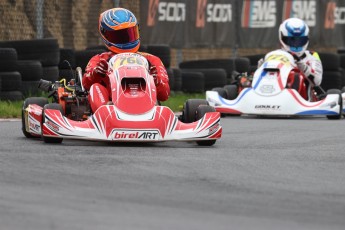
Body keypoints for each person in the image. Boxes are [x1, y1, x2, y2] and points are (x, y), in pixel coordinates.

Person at [82, 8, 170, 112]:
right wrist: (95, 74)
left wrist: (157, 82)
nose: (126, 39)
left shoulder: (152, 60)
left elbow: (164, 95)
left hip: (145, 105)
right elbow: (86, 85)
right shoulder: (100, 60)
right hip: (110, 107)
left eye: (130, 33)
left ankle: (150, 114)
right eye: (120, 36)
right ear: (105, 34)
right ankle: (105, 114)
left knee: (154, 92)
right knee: (96, 87)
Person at [258, 18, 323, 100]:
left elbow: (317, 81)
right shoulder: (272, 55)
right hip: (271, 94)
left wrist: (302, 66)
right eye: (292, 40)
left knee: (296, 76)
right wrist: (260, 68)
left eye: (300, 41)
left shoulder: (312, 56)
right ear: (282, 38)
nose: (296, 45)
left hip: (303, 101)